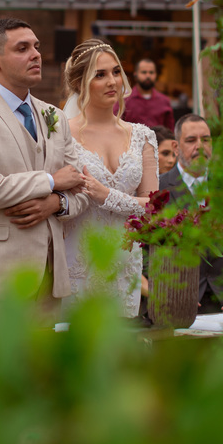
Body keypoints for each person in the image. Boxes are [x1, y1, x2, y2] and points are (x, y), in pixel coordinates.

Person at [0, 18, 89, 319]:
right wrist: (50, 180)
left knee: (44, 368)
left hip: (49, 279)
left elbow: (81, 186)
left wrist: (57, 203)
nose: (35, 54)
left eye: (36, 47)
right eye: (22, 48)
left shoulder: (55, 116)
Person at [61, 40, 158, 317]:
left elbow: (154, 208)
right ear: (80, 82)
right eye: (99, 75)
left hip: (125, 264)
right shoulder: (61, 136)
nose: (112, 81)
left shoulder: (143, 137)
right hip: (77, 262)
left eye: (116, 72)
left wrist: (107, 196)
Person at [159, 113, 223, 313]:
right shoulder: (159, 189)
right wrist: (170, 294)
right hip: (179, 305)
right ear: (176, 147)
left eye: (206, 140)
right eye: (191, 140)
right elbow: (146, 255)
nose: (200, 146)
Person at [122, 58, 174, 131]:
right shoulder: (124, 100)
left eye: (151, 72)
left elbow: (170, 131)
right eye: (144, 72)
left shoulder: (164, 101)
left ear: (156, 74)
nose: (148, 76)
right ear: (135, 74)